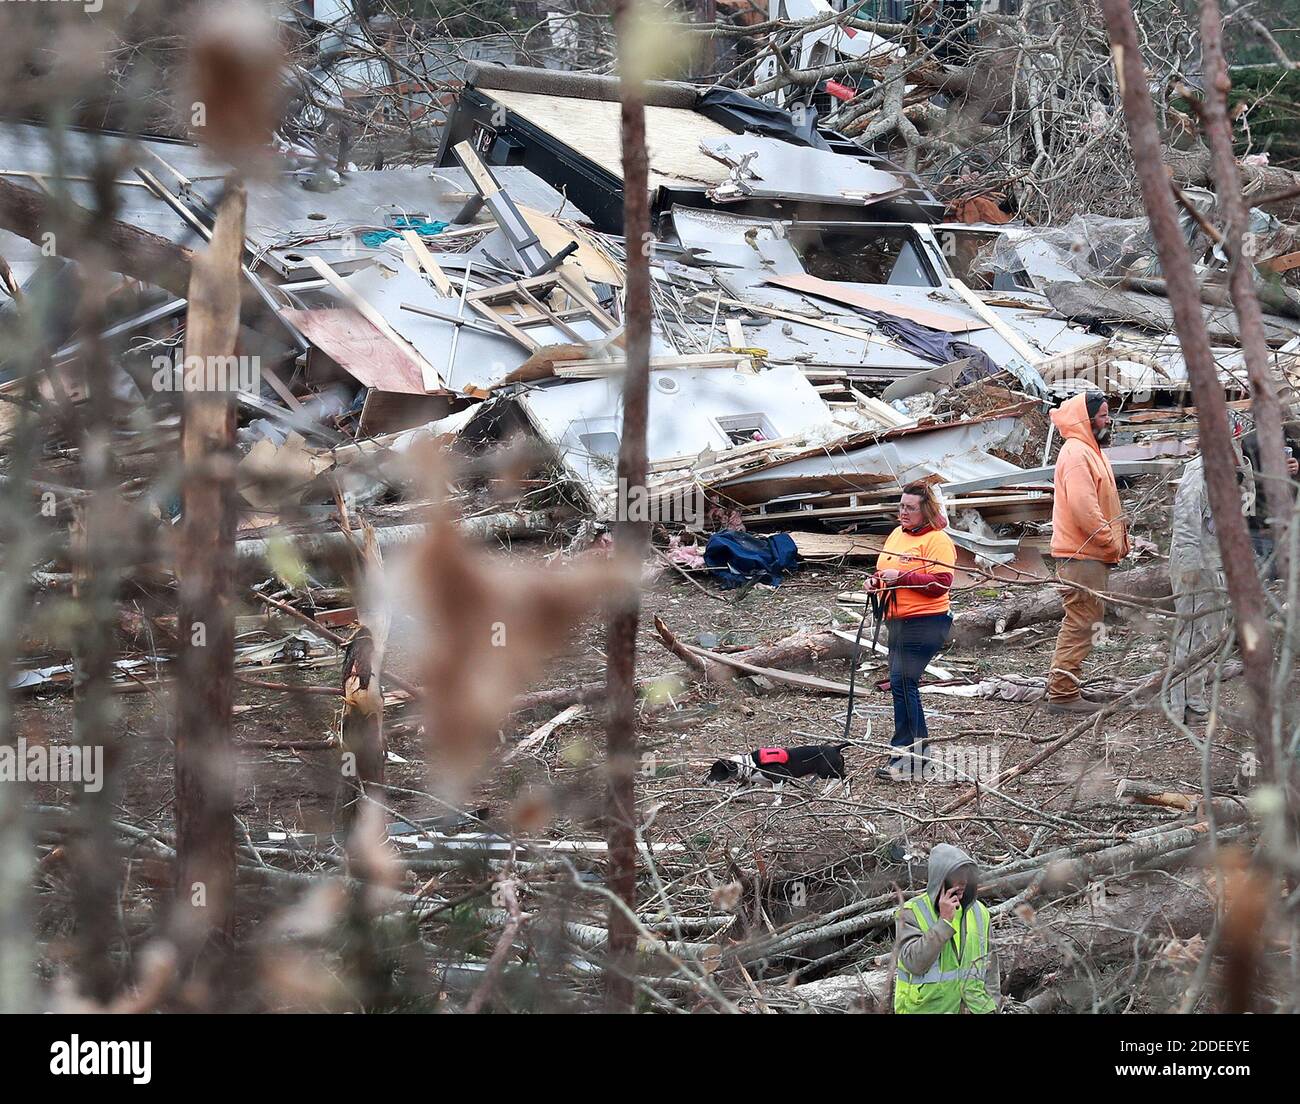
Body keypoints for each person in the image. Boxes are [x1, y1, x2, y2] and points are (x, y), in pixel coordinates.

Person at [1045, 392, 1130, 713]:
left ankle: (1066, 685)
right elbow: (1085, 507)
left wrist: (1118, 539)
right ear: (1087, 418)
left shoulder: (1088, 451)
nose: (1109, 421)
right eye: (1104, 415)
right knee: (1082, 621)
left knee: (1085, 620)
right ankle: (1063, 694)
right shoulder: (1077, 453)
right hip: (1083, 556)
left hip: (1090, 555)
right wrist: (1109, 540)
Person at [865, 482, 956, 781]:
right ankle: (910, 755)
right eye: (901, 506)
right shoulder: (896, 535)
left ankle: (910, 757)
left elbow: (941, 583)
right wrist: (876, 583)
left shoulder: (937, 540)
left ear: (925, 510)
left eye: (910, 508)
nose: (903, 512)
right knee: (902, 685)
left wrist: (901, 577)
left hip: (926, 622)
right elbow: (885, 571)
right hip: (898, 621)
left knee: (903, 682)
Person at [894, 842, 1000, 1014]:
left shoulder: (980, 912)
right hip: (927, 1009)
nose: (963, 882)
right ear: (940, 879)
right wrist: (944, 922)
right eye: (957, 876)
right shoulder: (912, 911)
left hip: (974, 1009)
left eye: (966, 876)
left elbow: (991, 967)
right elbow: (914, 963)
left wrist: (993, 1006)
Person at [1167, 454, 1229, 724]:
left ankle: (1195, 698)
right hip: (1196, 563)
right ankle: (1179, 704)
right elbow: (1185, 520)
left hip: (1213, 560)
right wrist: (1190, 565)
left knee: (1206, 633)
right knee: (1190, 632)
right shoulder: (1197, 471)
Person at [1239, 425, 1300, 576]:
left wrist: (1297, 466)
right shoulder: (1249, 442)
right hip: (1262, 529)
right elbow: (1245, 485)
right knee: (1266, 579)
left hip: (1288, 526)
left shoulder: (1292, 436)